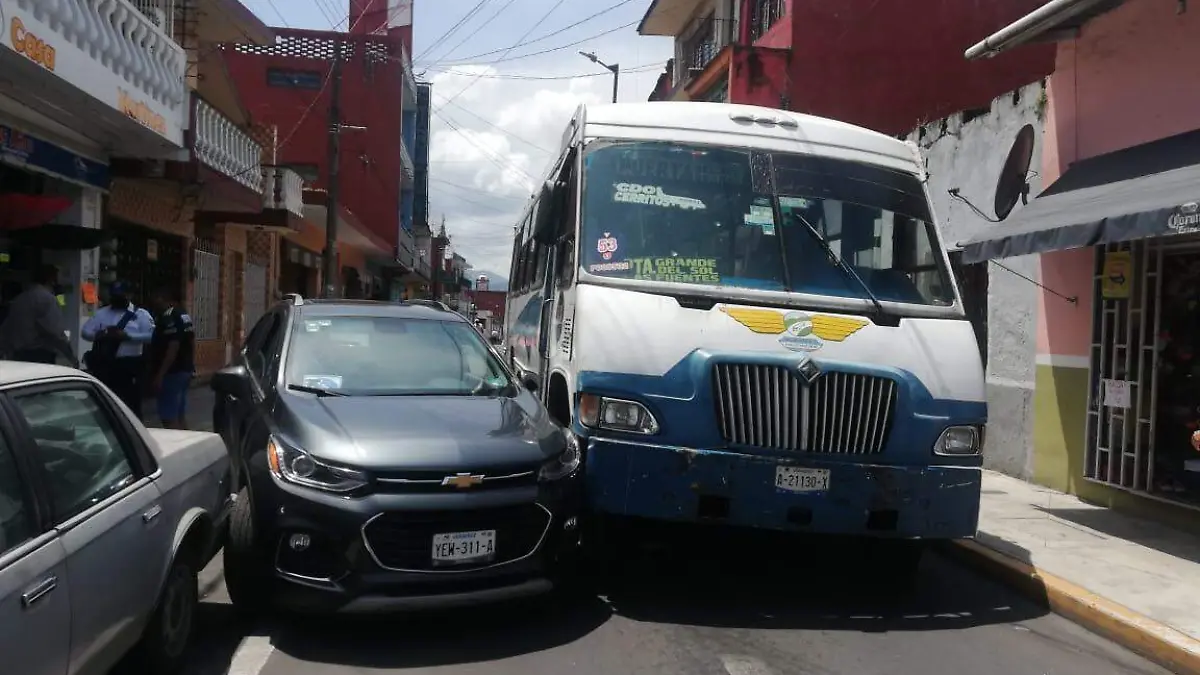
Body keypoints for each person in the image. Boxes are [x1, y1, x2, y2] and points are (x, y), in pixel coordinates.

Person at [81, 281, 155, 418]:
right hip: (106, 366)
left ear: (129, 295)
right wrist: (100, 334)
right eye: (114, 295)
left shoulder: (141, 315)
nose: (117, 298)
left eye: (121, 295)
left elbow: (152, 336)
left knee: (131, 407)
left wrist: (128, 337)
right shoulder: (101, 313)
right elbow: (85, 332)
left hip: (129, 366)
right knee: (106, 406)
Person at [0, 264, 79, 367]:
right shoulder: (46, 299)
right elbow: (56, 332)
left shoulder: (20, 299)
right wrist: (71, 356)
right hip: (39, 355)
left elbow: (6, 329)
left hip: (18, 355)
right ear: (51, 279)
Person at [146, 286, 196, 429]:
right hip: (184, 369)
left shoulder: (168, 316)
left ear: (161, 298)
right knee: (179, 414)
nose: (153, 303)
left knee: (169, 417)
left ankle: (176, 445)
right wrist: (191, 365)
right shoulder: (183, 314)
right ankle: (187, 445)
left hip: (172, 372)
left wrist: (160, 375)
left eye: (155, 298)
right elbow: (191, 341)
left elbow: (173, 346)